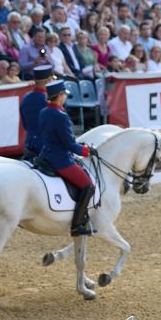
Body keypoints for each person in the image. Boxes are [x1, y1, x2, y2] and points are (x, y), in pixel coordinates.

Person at [37, 80, 94, 236]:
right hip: (60, 160)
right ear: (60, 96)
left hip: (46, 155)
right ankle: (77, 225)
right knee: (88, 186)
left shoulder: (43, 112)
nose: (64, 98)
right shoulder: (60, 116)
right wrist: (86, 151)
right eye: (63, 95)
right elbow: (69, 144)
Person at [19, 64, 51, 161]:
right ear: (48, 81)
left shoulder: (26, 98)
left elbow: (25, 125)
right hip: (47, 147)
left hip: (30, 144)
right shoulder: (49, 101)